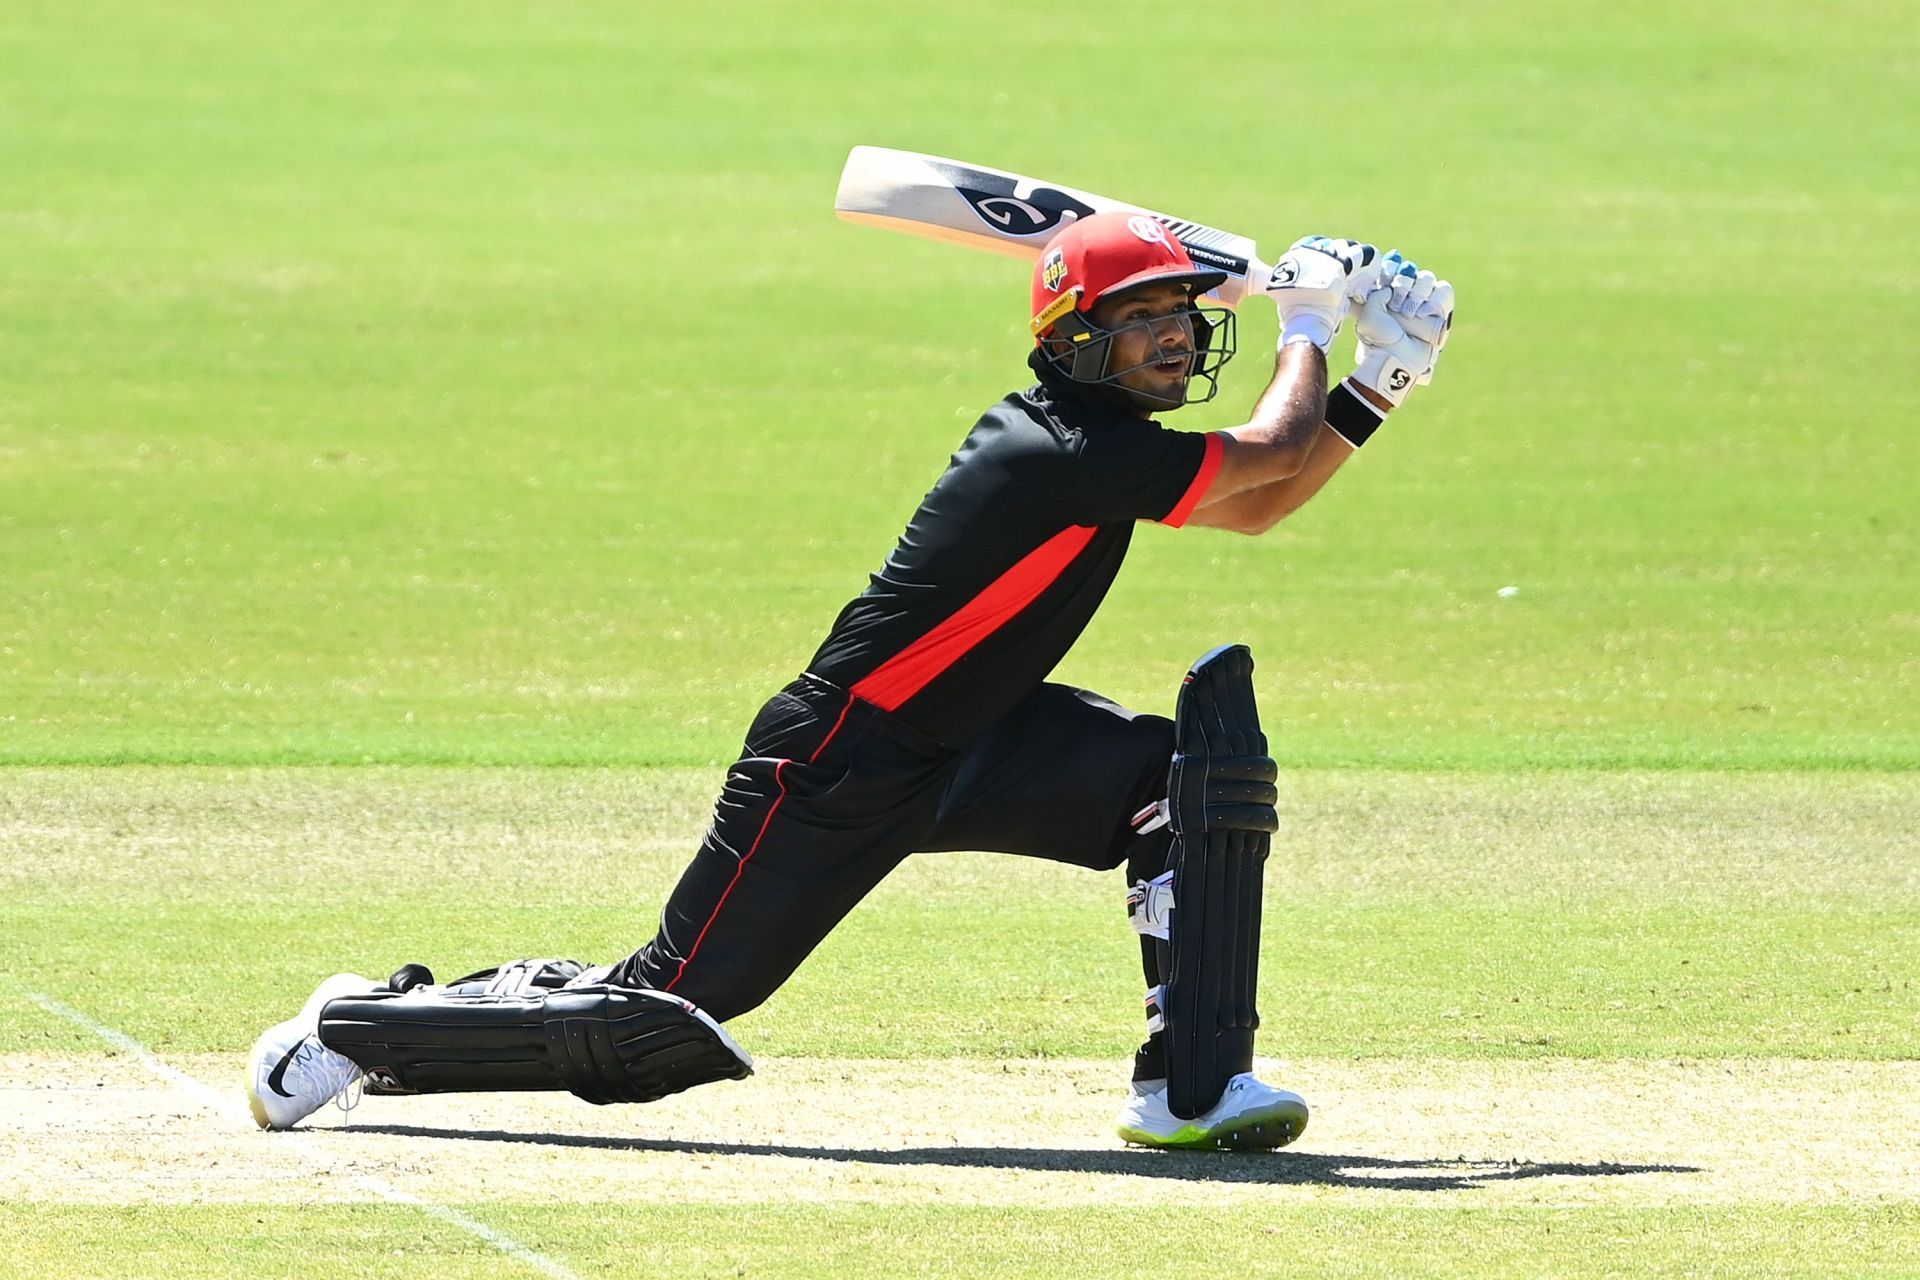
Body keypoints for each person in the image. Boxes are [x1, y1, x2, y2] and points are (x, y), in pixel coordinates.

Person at [248, 212, 1453, 1150]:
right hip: (841, 759)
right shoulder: (1058, 450)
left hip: (976, 740)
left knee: (1178, 781)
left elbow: (1263, 504)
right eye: (1144, 318)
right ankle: (353, 1028)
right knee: (658, 1022)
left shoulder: (1110, 445)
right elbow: (1273, 455)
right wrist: (1307, 321)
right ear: (1076, 335)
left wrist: (1379, 378)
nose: (1178, 337)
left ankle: (1192, 1086)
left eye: (1184, 315)